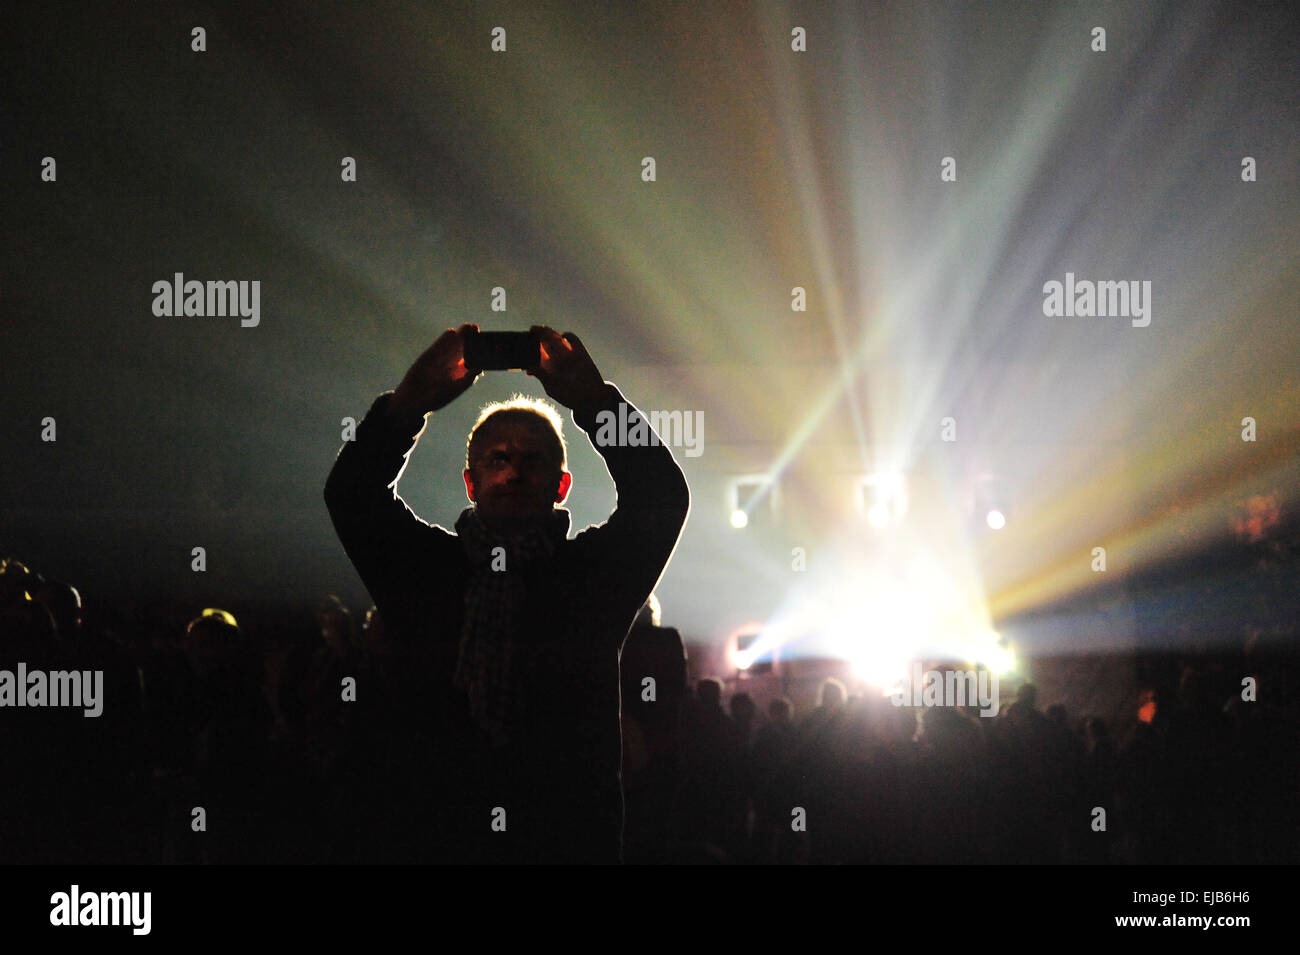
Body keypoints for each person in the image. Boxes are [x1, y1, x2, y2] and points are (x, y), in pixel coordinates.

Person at [324, 323, 690, 863]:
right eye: (497, 459)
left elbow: (661, 496)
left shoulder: (591, 578)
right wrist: (408, 403)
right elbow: (350, 494)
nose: (514, 471)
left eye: (533, 459)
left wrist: (595, 402)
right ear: (470, 482)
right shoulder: (425, 572)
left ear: (561, 485)